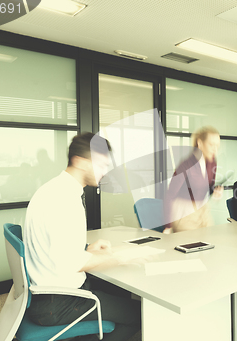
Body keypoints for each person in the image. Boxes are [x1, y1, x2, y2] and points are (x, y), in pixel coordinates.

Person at [23, 132, 141, 341]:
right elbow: (73, 263)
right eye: (102, 165)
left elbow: (56, 247)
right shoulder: (65, 199)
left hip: (45, 292)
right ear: (81, 162)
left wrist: (87, 249)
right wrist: (121, 257)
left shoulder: (54, 189)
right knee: (139, 315)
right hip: (60, 302)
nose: (106, 172)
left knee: (118, 291)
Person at [163, 126, 223, 233]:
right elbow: (170, 195)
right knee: (192, 244)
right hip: (184, 212)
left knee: (212, 242)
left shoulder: (212, 161)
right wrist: (168, 226)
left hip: (203, 210)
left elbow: (209, 187)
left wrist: (215, 191)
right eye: (211, 145)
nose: (215, 149)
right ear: (200, 143)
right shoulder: (186, 165)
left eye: (217, 145)